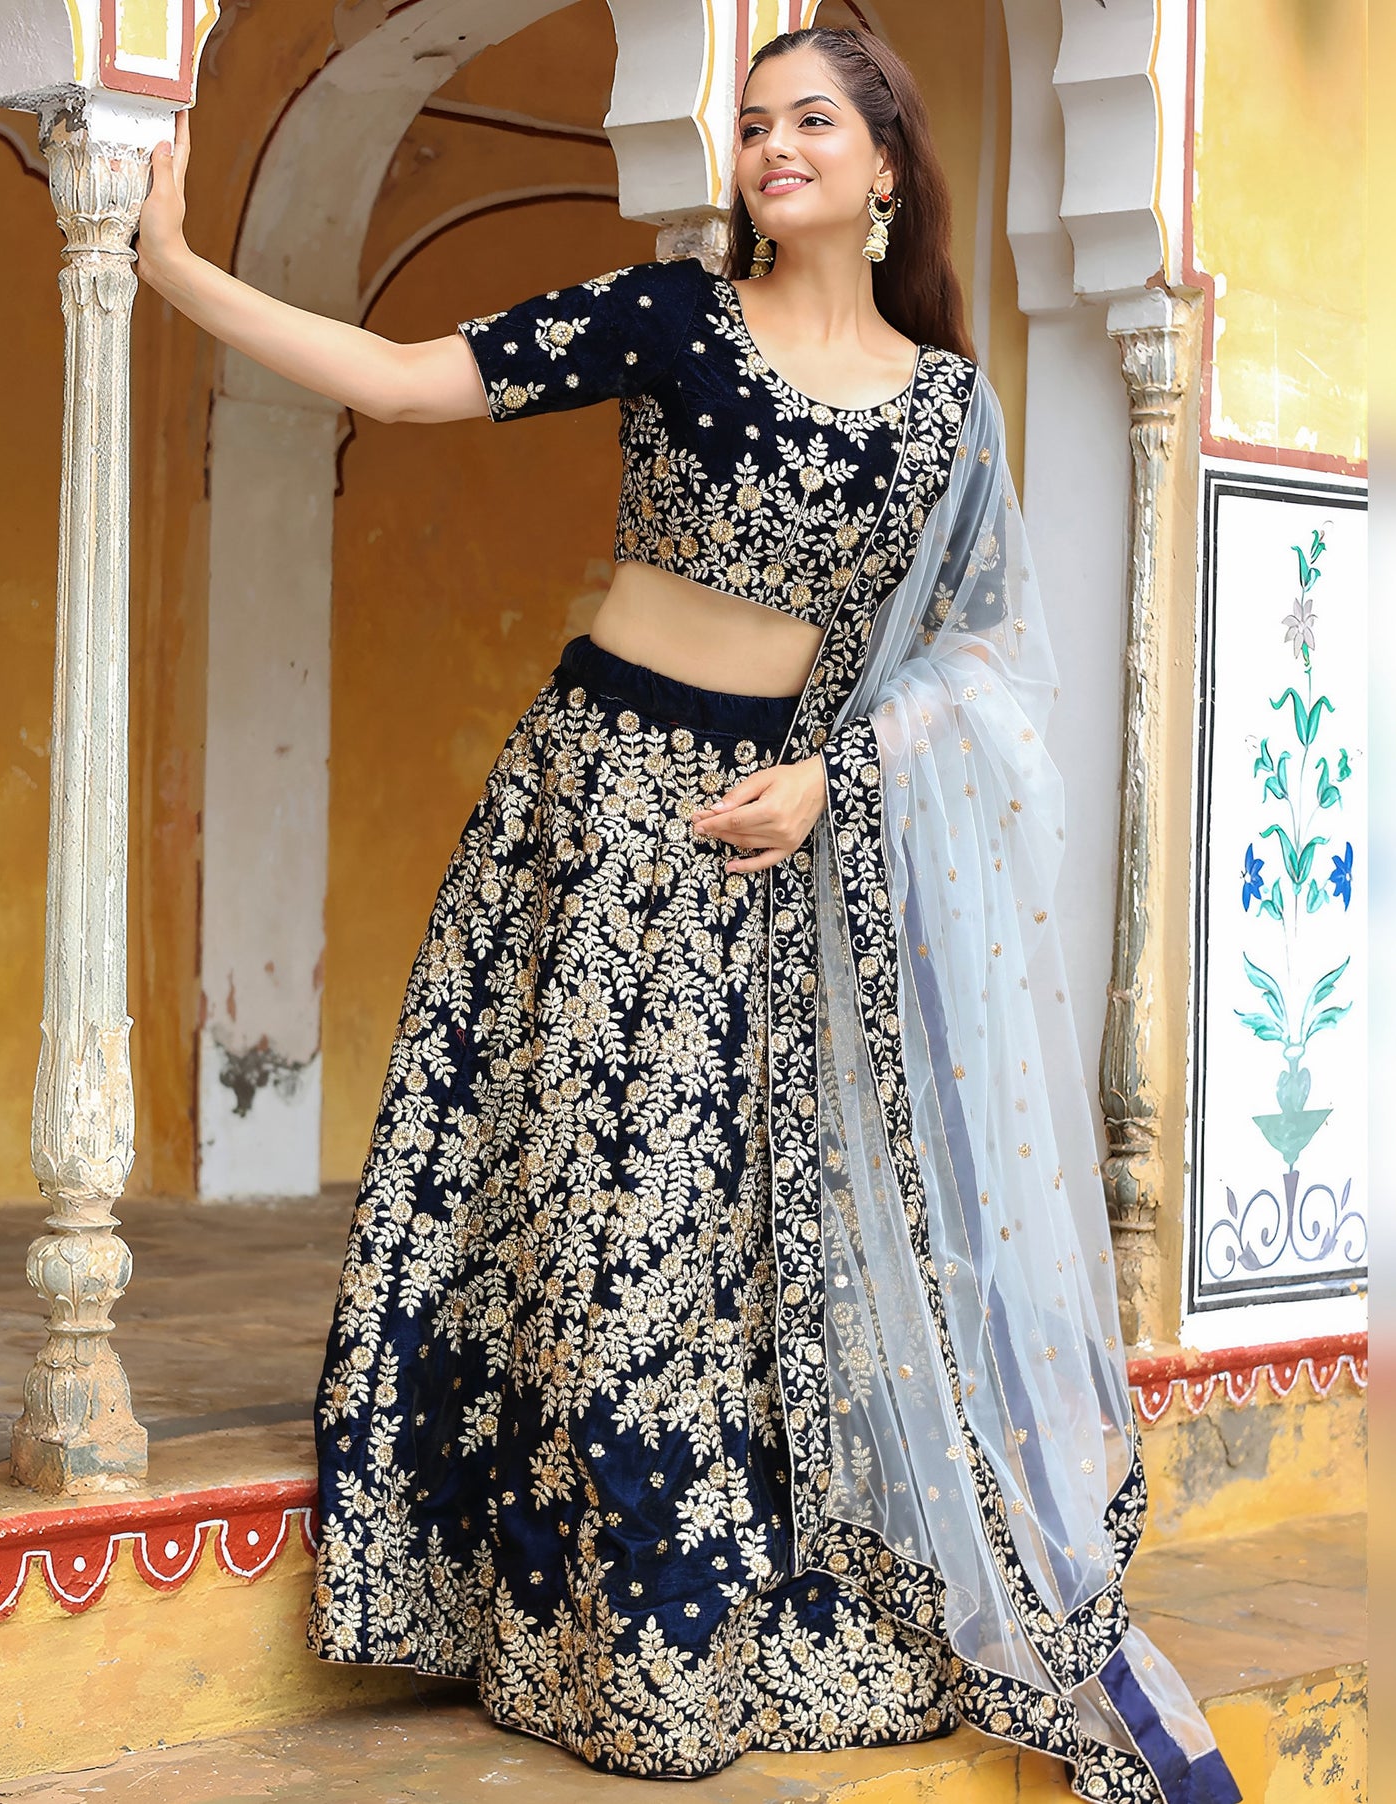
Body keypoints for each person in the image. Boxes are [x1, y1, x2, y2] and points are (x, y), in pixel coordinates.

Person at [136, 24, 1241, 1802]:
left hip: (770, 846)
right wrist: (179, 267)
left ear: (887, 167)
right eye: (752, 120)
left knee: (713, 1245)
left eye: (812, 121)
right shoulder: (671, 318)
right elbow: (406, 379)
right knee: (583, 1219)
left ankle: (689, 1636)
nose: (771, 146)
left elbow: (988, 661)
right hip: (591, 808)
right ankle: (560, 1632)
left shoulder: (944, 410)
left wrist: (835, 780)